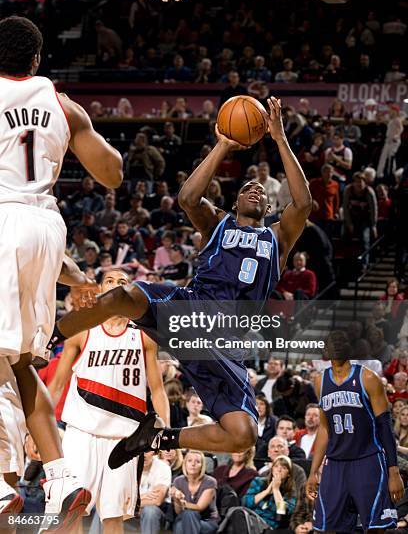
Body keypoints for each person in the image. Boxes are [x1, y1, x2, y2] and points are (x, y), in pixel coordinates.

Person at [58, 96, 312, 461]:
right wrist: (223, 144)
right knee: (118, 298)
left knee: (243, 435)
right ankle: (56, 336)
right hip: (190, 309)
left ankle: (161, 439)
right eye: (246, 189)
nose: (255, 189)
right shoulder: (218, 223)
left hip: (225, 339)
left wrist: (280, 139)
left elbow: (302, 205)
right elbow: (189, 198)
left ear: (270, 208)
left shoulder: (278, 238)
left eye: (261, 192)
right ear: (235, 203)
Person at [0, 16, 122, 526]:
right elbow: (113, 172)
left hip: (2, 218)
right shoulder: (61, 103)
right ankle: (61, 475)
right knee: (23, 361)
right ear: (36, 60)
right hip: (47, 227)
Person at [47, 269, 170, 533]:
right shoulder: (82, 331)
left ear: (129, 294)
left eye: (123, 282)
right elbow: (55, 385)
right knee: (70, 512)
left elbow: (158, 390)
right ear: (101, 291)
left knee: (113, 517)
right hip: (81, 433)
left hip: (123, 440)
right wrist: (38, 432)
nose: (116, 286)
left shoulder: (143, 335)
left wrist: (165, 432)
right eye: (110, 281)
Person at [306, 330, 404, 531]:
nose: (337, 346)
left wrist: (393, 471)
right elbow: (325, 428)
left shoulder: (368, 377)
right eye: (333, 342)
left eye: (342, 341)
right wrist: (313, 471)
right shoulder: (319, 381)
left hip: (367, 460)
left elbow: (385, 426)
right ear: (325, 349)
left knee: (376, 527)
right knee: (326, 527)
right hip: (335, 463)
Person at [171, 450, 219, 534]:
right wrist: (176, 499)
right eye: (189, 461)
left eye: (197, 462)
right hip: (184, 518)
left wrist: (183, 502)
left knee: (186, 517)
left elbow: (199, 507)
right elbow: (178, 511)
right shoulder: (178, 481)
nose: (193, 464)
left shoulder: (210, 482)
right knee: (184, 519)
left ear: (202, 466)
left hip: (206, 521)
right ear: (185, 464)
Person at [243, 455, 297, 528]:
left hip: (269, 527)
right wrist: (266, 492)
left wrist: (276, 490)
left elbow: (282, 513)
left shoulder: (290, 492)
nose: (279, 470)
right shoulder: (259, 481)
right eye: (276, 466)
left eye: (284, 468)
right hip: (250, 520)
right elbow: (245, 503)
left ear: (289, 474)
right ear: (272, 469)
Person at [139, 451, 172, 534]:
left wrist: (133, 501)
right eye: (139, 451)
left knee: (149, 510)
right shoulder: (128, 467)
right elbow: (120, 499)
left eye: (147, 451)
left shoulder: (162, 467)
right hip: (131, 512)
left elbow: (157, 500)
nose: (143, 455)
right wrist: (144, 496)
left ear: (154, 452)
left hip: (158, 512)